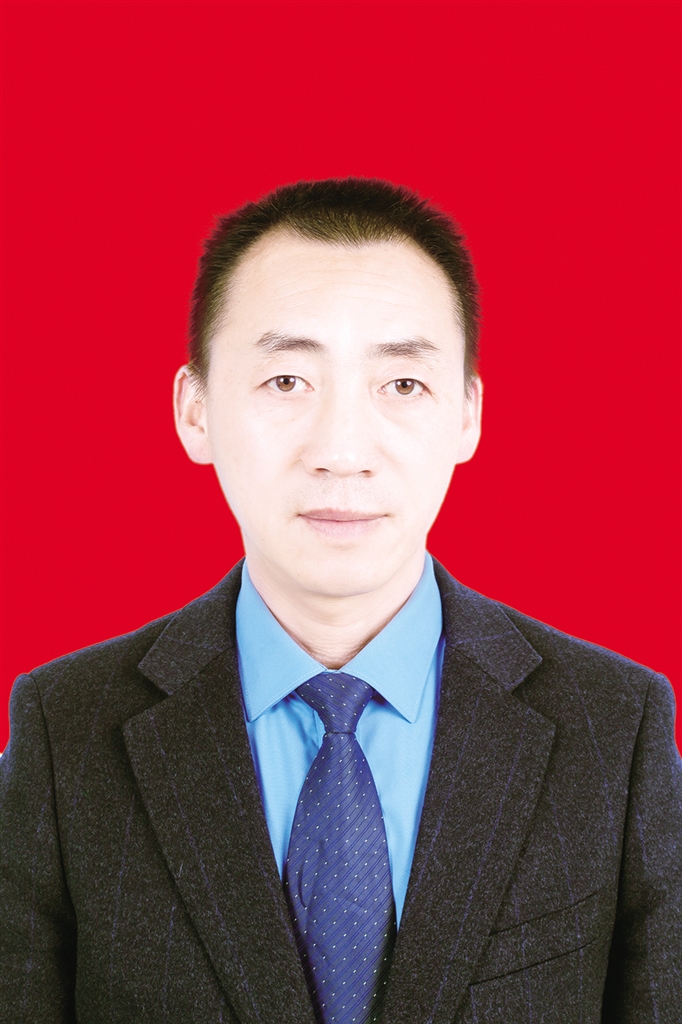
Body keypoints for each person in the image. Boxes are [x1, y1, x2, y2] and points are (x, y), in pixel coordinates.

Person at [1, 178, 680, 1024]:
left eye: (402, 385)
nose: (343, 450)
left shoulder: (614, 726)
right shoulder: (66, 728)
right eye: (287, 380)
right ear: (195, 411)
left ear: (468, 415)